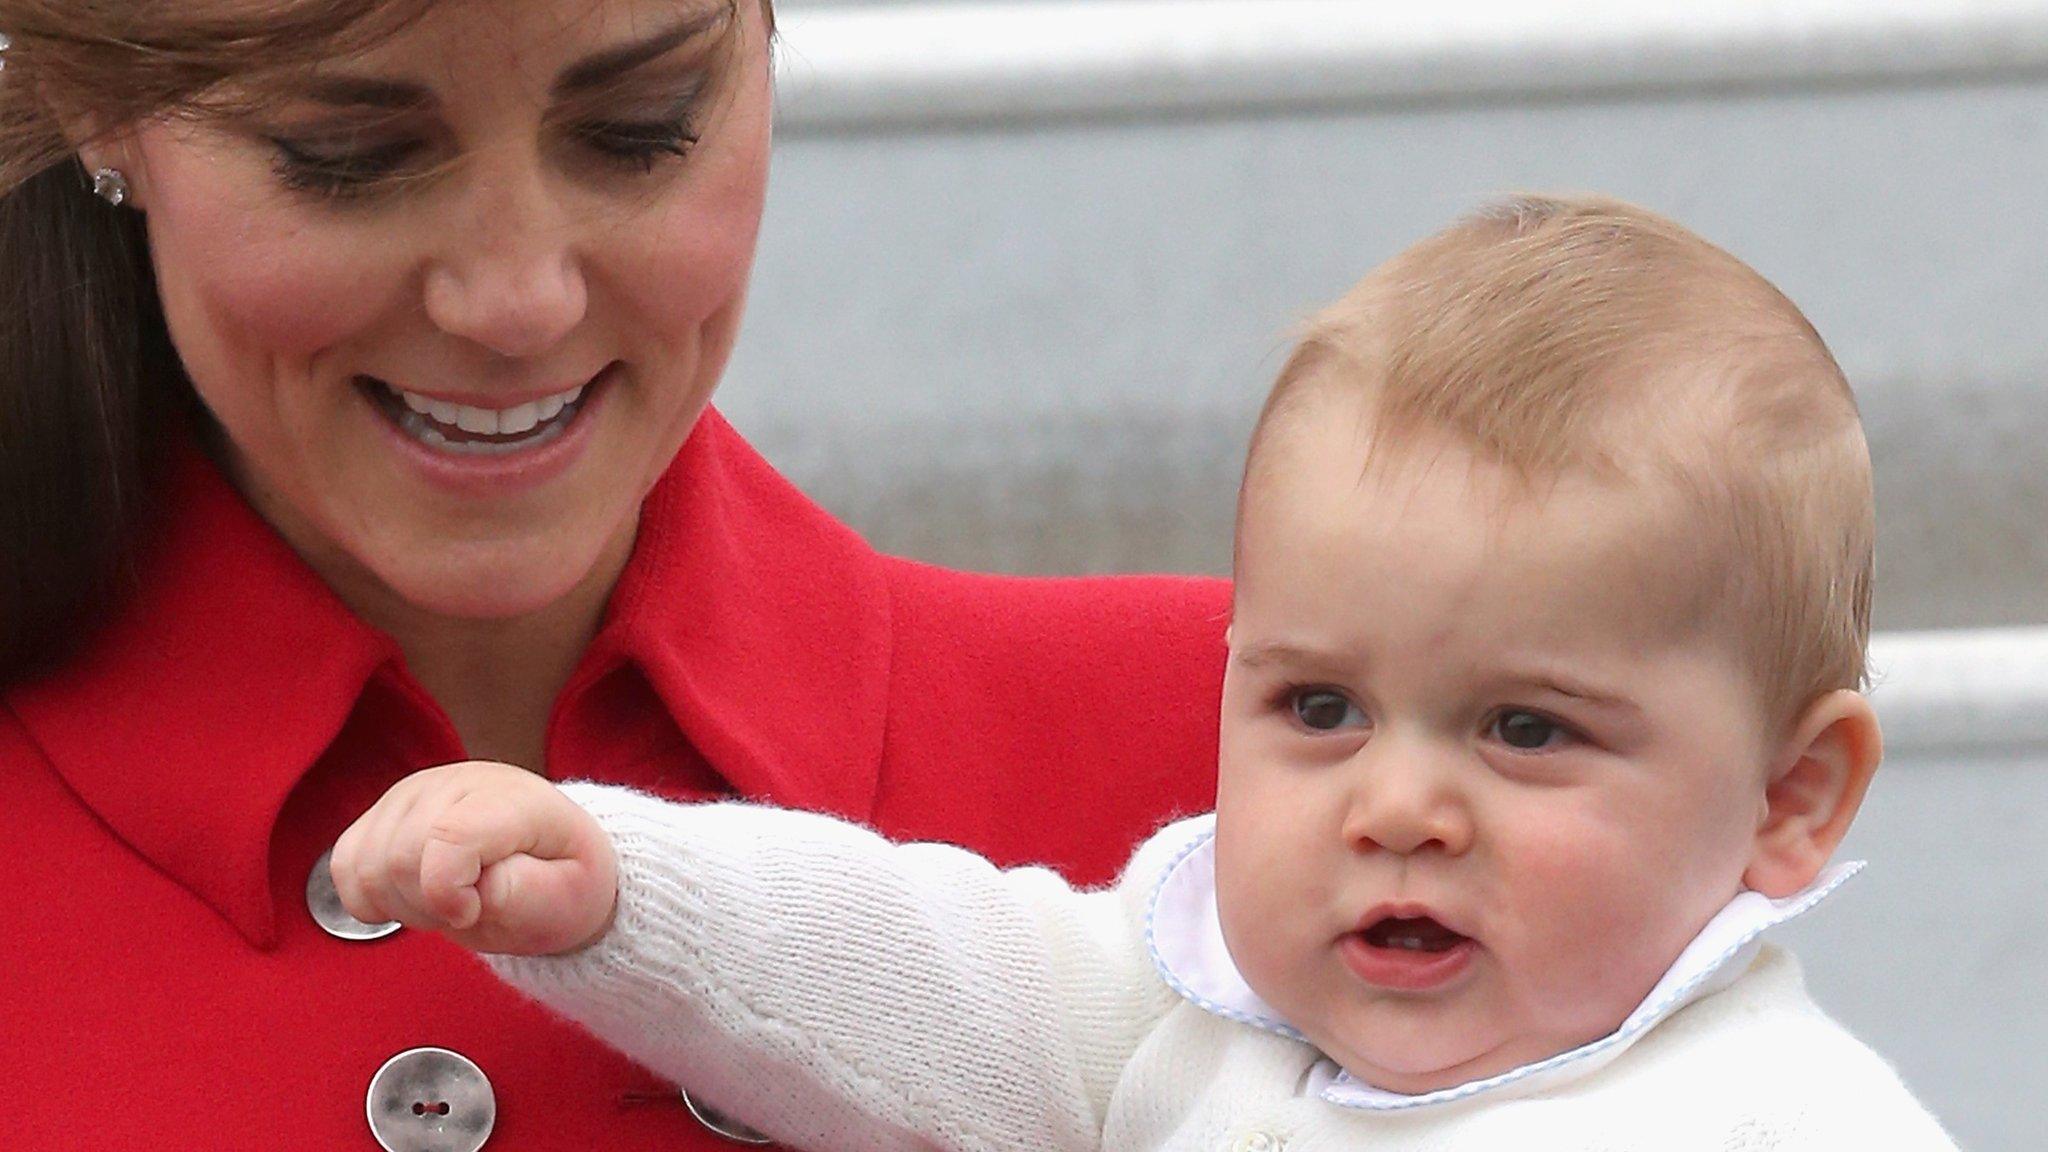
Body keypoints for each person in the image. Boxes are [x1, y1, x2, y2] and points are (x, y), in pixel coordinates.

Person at [335, 196, 1958, 1150]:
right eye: (1317, 708)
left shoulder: (1775, 1116)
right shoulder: (1207, 1004)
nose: (1396, 802)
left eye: (1522, 729)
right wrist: (623, 888)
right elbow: (931, 969)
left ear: (1785, 798)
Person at [0, 1, 1228, 1148]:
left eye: (637, 132)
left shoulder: (1268, 759)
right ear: (84, 91)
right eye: (349, 154)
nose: (519, 301)